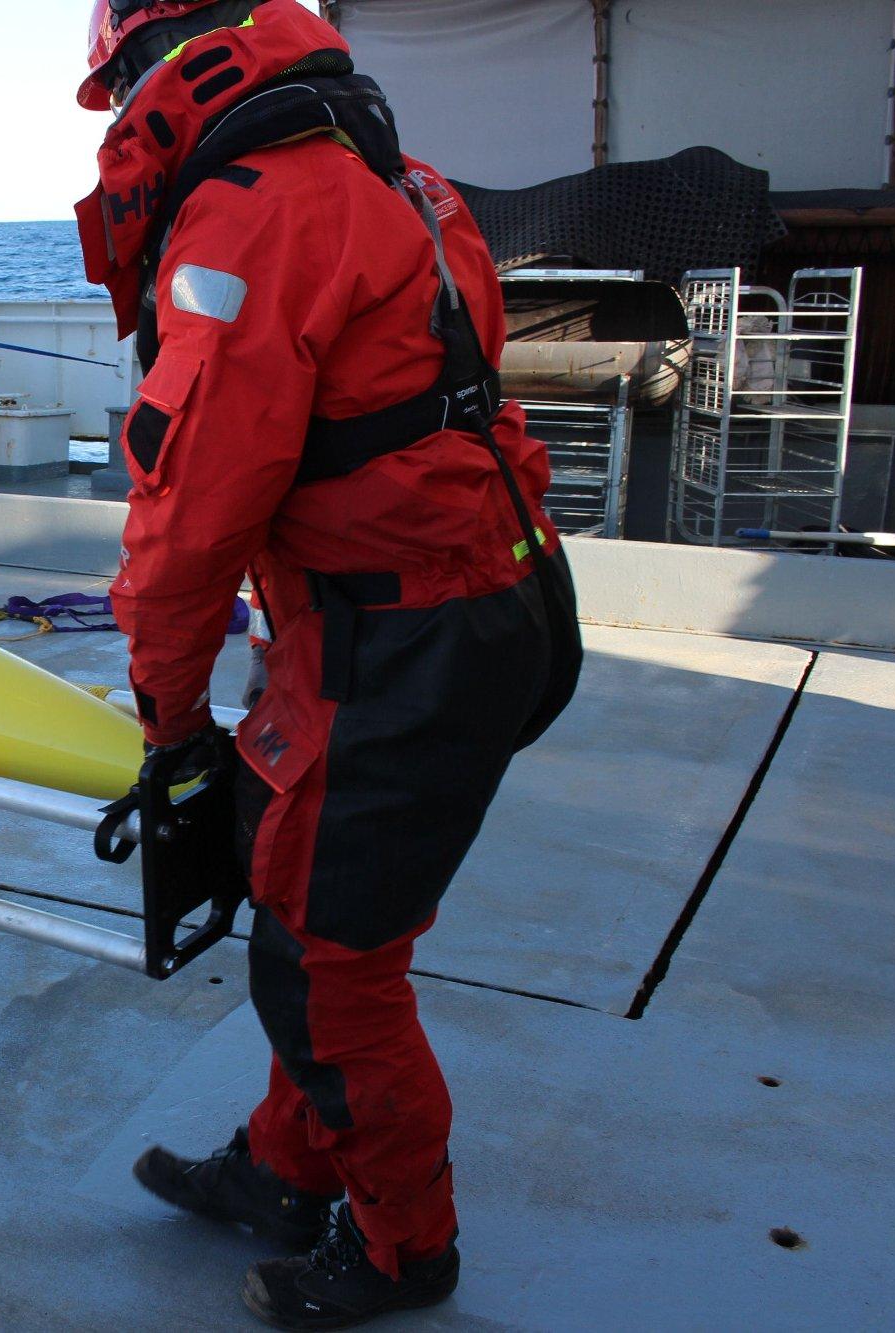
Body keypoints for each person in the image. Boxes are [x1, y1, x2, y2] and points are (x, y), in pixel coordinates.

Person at [75, 3, 583, 1328]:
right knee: (310, 918)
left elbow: (189, 525)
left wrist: (170, 723)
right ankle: (288, 1170)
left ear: (150, 72)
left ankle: (408, 1247)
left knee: (327, 966)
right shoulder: (401, 178)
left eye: (115, 88)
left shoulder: (249, 216)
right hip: (478, 602)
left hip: (398, 644)